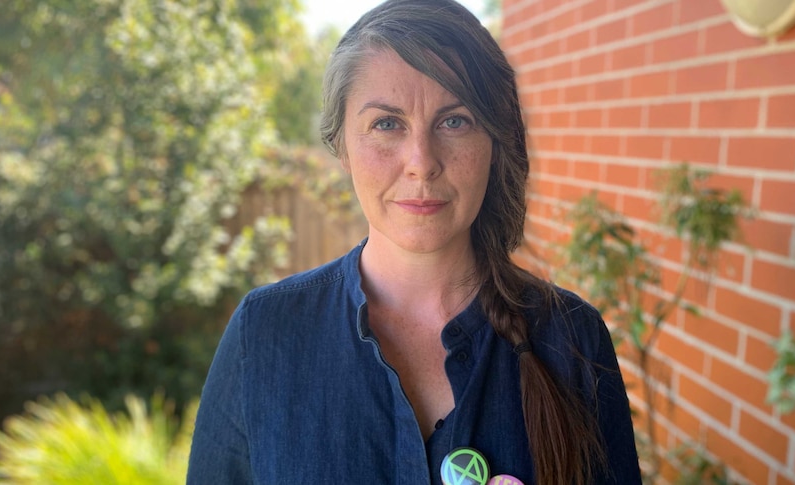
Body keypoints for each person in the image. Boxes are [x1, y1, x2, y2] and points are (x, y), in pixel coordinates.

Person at [187, 0, 640, 483]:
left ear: (494, 142)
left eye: (454, 120)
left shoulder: (572, 339)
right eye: (386, 123)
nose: (421, 161)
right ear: (342, 145)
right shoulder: (264, 335)